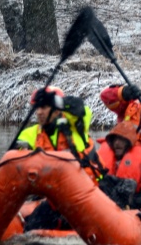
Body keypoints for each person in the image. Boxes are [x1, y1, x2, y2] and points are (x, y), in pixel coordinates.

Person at [15, 86, 95, 231]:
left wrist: (58, 101)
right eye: (37, 107)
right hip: (49, 195)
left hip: (81, 192)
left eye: (44, 107)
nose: (39, 112)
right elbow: (17, 162)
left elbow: (83, 110)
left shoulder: (76, 126)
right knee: (32, 226)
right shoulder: (29, 134)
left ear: (58, 109)